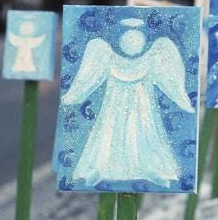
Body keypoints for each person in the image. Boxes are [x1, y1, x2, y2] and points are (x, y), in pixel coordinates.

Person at [61, 18, 191, 187]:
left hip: (142, 109)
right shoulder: (107, 54)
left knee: (143, 132)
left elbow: (171, 80)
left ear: (142, 42)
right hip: (113, 109)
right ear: (122, 42)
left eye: (135, 40)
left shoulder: (152, 56)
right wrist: (73, 95)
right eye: (129, 40)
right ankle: (107, 167)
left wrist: (182, 98)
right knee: (109, 134)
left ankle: (144, 167)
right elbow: (88, 79)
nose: (131, 43)